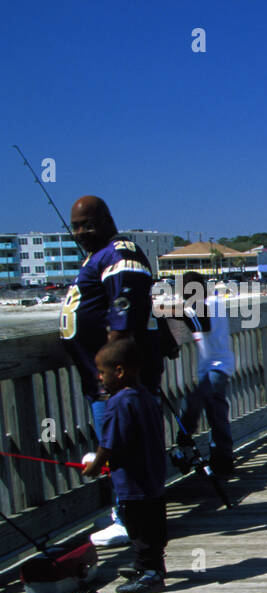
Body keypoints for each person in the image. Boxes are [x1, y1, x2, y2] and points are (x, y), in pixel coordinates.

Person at [59, 196, 166, 547]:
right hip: (104, 381)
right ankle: (129, 517)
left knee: (123, 452)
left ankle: (129, 523)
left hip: (117, 385)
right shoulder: (99, 256)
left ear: (106, 220)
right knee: (120, 449)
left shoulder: (120, 253)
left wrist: (111, 369)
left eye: (87, 224)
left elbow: (123, 314)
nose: (80, 232)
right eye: (76, 226)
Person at [82, 338, 167, 593]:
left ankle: (150, 574)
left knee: (139, 530)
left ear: (119, 371)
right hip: (153, 478)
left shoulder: (118, 403)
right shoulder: (146, 396)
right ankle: (148, 566)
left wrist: (94, 467)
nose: (98, 377)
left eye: (102, 372)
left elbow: (108, 444)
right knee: (153, 528)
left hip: (133, 483)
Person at [177, 272, 236, 476]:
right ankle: (222, 458)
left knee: (194, 403)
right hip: (210, 368)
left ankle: (184, 439)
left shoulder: (213, 302)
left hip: (218, 367)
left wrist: (167, 311)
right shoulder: (200, 306)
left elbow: (204, 323)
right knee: (216, 412)